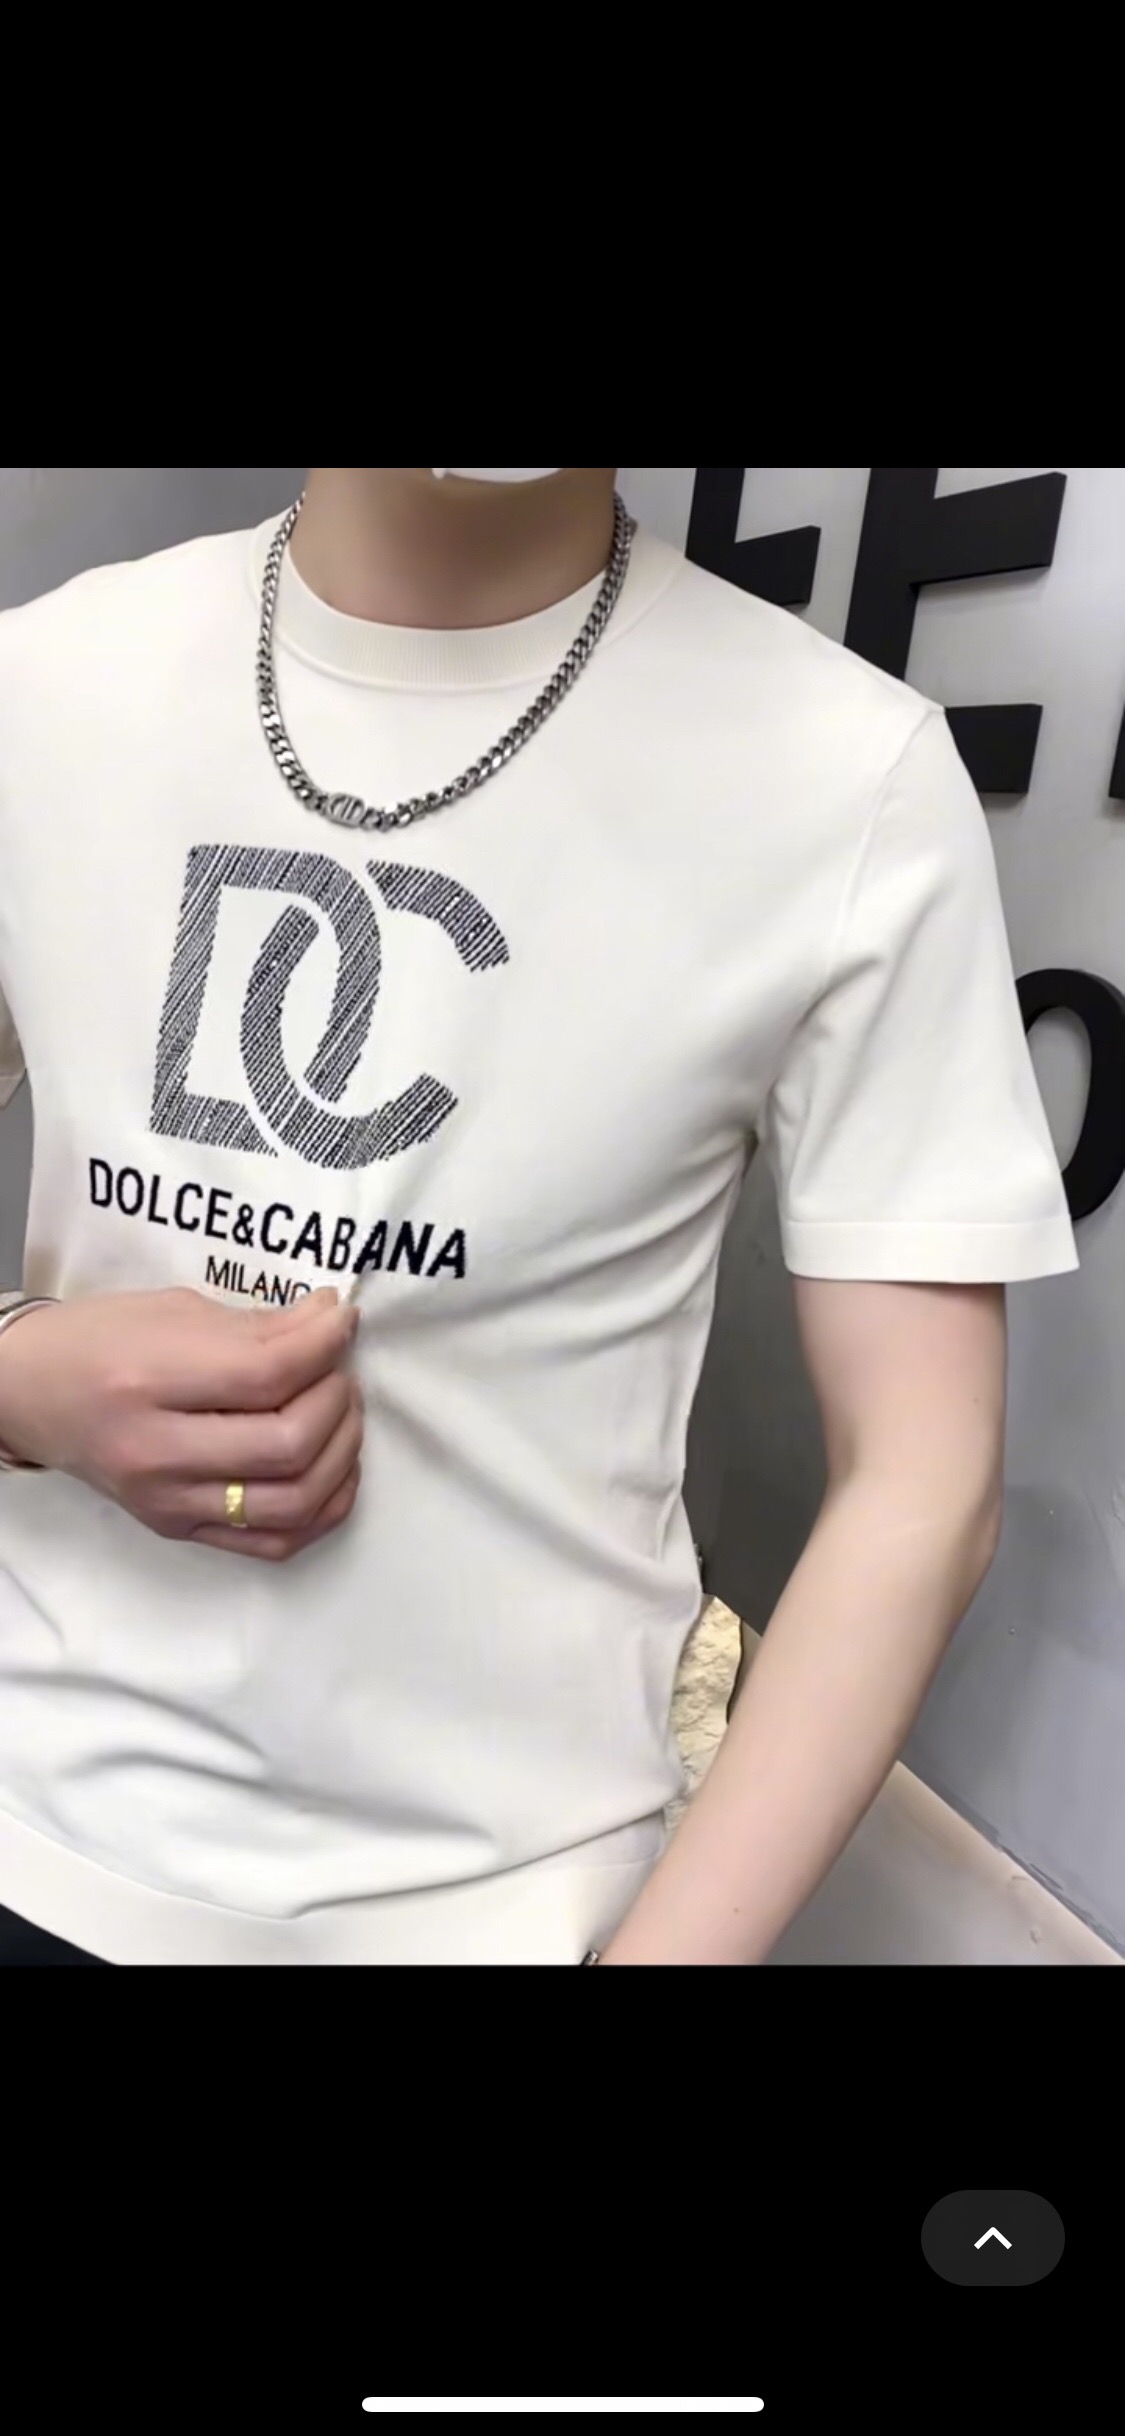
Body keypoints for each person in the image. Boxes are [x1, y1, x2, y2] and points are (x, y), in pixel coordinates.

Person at [0, 466, 1077, 1966]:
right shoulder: (43, 683)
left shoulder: (847, 777)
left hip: (503, 1902)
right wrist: (20, 1377)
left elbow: (922, 1484)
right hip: (29, 1820)